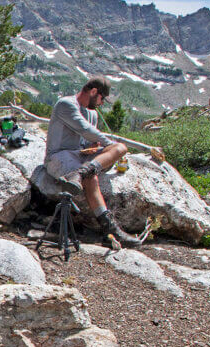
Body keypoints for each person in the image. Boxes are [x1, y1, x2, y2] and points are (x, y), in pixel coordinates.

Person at [45, 77, 140, 247]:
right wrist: (108, 144)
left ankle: (80, 173)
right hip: (59, 156)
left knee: (121, 149)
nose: (102, 103)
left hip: (80, 157)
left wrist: (96, 146)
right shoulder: (66, 104)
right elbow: (84, 129)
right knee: (93, 176)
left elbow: (87, 139)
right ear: (94, 91)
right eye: (102, 98)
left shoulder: (92, 113)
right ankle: (109, 228)